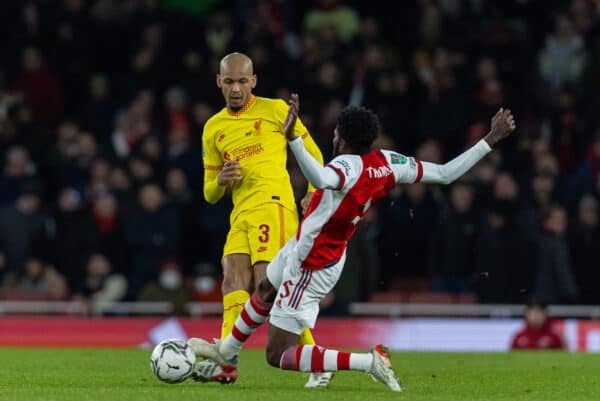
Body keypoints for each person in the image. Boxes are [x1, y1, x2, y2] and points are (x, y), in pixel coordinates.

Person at [188, 94, 516, 391]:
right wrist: (489, 140)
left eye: (334, 133)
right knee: (264, 290)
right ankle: (226, 354)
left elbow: (320, 178)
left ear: (341, 137)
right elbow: (445, 173)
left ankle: (368, 362)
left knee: (278, 355)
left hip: (310, 264)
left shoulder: (344, 166)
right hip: (315, 247)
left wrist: (294, 141)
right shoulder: (387, 162)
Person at [196, 53, 329, 387]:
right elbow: (209, 194)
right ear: (219, 82)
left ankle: (316, 360)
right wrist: (222, 180)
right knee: (231, 283)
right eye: (229, 82)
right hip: (240, 213)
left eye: (242, 81)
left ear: (253, 81)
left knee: (270, 287)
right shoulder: (213, 127)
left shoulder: (275, 110)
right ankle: (227, 364)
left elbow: (314, 153)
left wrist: (314, 189)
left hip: (274, 205)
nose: (236, 88)